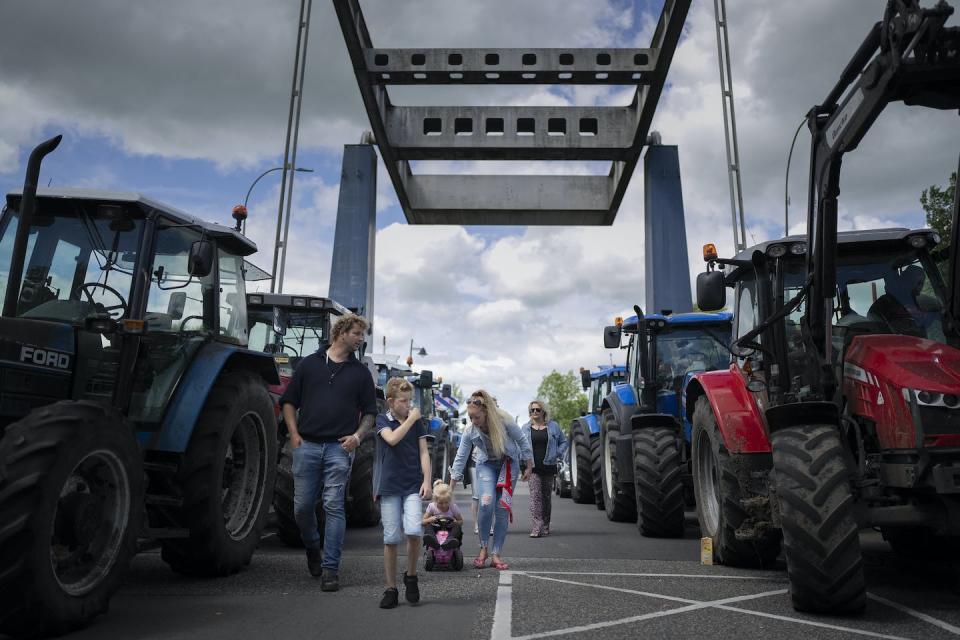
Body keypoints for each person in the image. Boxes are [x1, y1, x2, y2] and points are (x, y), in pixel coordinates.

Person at [279, 313, 378, 592]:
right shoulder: (309, 365)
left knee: (334, 505)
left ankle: (331, 569)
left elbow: (370, 413)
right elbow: (288, 402)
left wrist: (358, 437)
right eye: (357, 334)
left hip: (339, 448)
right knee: (301, 508)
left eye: (362, 335)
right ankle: (312, 547)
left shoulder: (360, 373)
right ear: (343, 332)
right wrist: (294, 434)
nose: (361, 339)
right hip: (306, 446)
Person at [450, 390, 533, 570]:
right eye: (470, 417)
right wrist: (451, 484)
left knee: (502, 509)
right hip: (486, 465)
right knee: (486, 502)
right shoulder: (470, 430)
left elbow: (522, 440)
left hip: (507, 466)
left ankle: (496, 553)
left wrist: (529, 465)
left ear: (486, 413)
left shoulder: (504, 421)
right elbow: (461, 456)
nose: (473, 422)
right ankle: (483, 549)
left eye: (477, 417)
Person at [374, 377, 432, 609]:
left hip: (411, 486)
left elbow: (424, 453)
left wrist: (427, 480)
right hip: (389, 487)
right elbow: (393, 439)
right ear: (390, 401)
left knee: (414, 531)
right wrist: (412, 419)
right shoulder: (382, 419)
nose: (409, 405)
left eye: (410, 401)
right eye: (404, 401)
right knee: (390, 538)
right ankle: (390, 588)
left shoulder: (415, 422)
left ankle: (411, 576)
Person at [521, 400, 568, 537]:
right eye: (532, 410)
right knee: (535, 497)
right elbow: (521, 446)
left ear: (543, 412)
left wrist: (557, 453)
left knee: (546, 497)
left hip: (549, 465)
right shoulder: (525, 428)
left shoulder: (553, 426)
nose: (534, 412)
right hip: (533, 467)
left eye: (537, 410)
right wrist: (523, 466)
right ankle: (537, 526)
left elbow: (564, 442)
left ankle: (546, 524)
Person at [422, 479, 464, 550]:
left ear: (450, 500)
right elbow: (423, 521)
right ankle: (432, 540)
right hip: (436, 528)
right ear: (435, 500)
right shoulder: (432, 506)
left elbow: (461, 521)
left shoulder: (453, 507)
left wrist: (455, 522)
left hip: (449, 529)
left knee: (457, 527)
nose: (444, 505)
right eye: (440, 503)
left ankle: (450, 541)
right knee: (428, 526)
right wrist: (429, 519)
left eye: (446, 502)